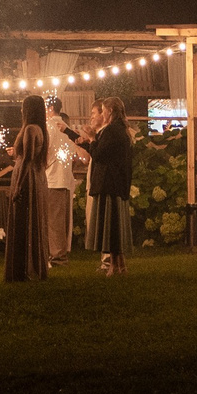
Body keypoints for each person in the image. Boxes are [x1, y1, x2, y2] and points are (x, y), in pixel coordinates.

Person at [82, 95, 135, 276]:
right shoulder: (121, 130)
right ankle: (120, 265)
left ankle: (114, 265)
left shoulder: (112, 131)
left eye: (103, 111)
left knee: (111, 227)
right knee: (113, 226)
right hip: (116, 183)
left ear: (110, 112)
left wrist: (91, 138)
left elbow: (99, 155)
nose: (102, 114)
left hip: (109, 183)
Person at [3, 96, 53, 282]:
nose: (21, 111)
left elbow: (27, 159)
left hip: (28, 177)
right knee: (34, 218)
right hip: (37, 175)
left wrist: (17, 186)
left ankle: (24, 268)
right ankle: (33, 266)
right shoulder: (41, 130)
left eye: (23, 108)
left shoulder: (30, 129)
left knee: (24, 220)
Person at [43, 97, 78, 265]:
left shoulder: (49, 127)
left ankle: (57, 256)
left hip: (52, 178)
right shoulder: (67, 128)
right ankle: (60, 253)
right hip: (65, 177)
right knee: (61, 219)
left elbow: (45, 151)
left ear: (50, 108)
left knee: (53, 220)